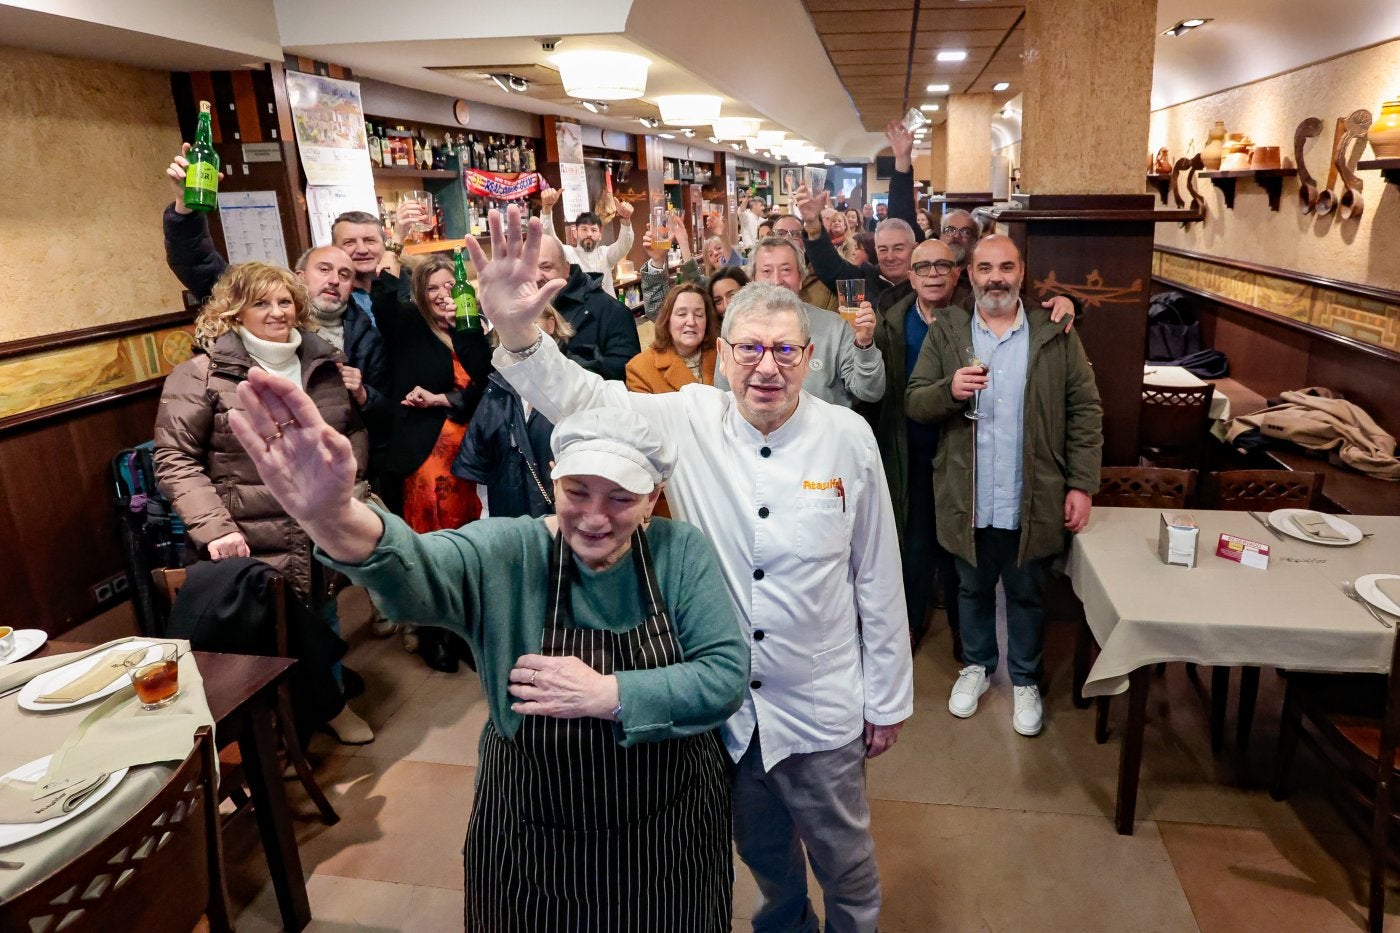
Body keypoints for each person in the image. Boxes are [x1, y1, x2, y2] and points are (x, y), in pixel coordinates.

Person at [473, 205, 913, 933]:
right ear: (724, 351)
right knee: (763, 855)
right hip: (728, 709)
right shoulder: (688, 416)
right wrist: (518, 332)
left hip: (823, 701)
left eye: (785, 350)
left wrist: (887, 698)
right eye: (750, 349)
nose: (766, 367)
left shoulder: (848, 436)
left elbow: (878, 573)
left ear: (809, 355)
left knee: (847, 863)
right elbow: (584, 397)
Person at [227, 383, 748, 931]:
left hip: (666, 830)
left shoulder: (680, 551)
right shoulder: (508, 550)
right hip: (536, 834)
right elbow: (416, 571)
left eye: (621, 498)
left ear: (653, 495)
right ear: (552, 476)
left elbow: (723, 678)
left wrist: (607, 695)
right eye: (577, 491)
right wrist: (334, 516)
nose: (595, 517)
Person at [152, 261, 373, 744]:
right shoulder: (202, 375)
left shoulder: (323, 365)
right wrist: (215, 528)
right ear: (235, 311)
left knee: (323, 616)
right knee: (264, 636)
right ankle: (276, 736)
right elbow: (174, 458)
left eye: (284, 301)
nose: (277, 312)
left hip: (318, 526)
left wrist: (349, 499)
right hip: (247, 531)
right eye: (261, 303)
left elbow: (350, 434)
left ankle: (332, 705)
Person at [905, 235, 1103, 737]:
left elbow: (1085, 410)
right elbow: (915, 400)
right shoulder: (949, 329)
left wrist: (1081, 484)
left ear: (1022, 273)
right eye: (986, 267)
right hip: (968, 493)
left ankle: (1025, 679)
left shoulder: (1054, 331)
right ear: (970, 275)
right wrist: (950, 390)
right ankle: (976, 666)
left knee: (1027, 590)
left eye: (1006, 267)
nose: (996, 277)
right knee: (970, 588)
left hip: (1030, 493)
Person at [372, 254, 492, 673]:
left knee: (471, 541)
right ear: (420, 295)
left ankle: (465, 630)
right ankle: (433, 632)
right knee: (431, 543)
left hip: (473, 452)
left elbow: (487, 384)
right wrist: (391, 250)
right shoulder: (409, 324)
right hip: (427, 454)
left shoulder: (471, 327)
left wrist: (446, 398)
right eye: (432, 288)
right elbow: (383, 302)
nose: (443, 295)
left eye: (450, 286)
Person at [724, 235, 885, 409]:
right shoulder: (737, 327)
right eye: (766, 271)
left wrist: (864, 344)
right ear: (753, 279)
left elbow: (870, 392)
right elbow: (725, 397)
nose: (776, 280)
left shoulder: (835, 327)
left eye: (786, 270)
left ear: (801, 278)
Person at [452, 306, 573, 520]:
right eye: (509, 328)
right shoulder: (497, 390)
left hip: (564, 519)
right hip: (510, 520)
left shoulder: (577, 382)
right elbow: (480, 465)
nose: (520, 334)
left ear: (551, 325)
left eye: (530, 322)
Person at [536, 235, 641, 380]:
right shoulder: (513, 315)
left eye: (546, 267)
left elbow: (628, 374)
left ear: (566, 269)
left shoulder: (612, 312)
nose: (536, 277)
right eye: (528, 268)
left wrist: (567, 363)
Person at [538, 188, 635, 297]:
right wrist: (547, 208)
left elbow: (624, 245)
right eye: (584, 229)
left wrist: (626, 220)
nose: (589, 234)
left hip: (607, 307)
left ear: (600, 234)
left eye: (594, 230)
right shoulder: (567, 253)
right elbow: (549, 239)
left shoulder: (606, 254)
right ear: (575, 233)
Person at [626, 284, 720, 393]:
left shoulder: (722, 356)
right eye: (682, 314)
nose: (691, 322)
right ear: (667, 320)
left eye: (699, 315)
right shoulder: (639, 369)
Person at [940, 209, 982, 306]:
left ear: (975, 241)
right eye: (950, 230)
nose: (956, 236)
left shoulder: (979, 283)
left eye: (965, 232)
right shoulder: (926, 273)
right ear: (941, 236)